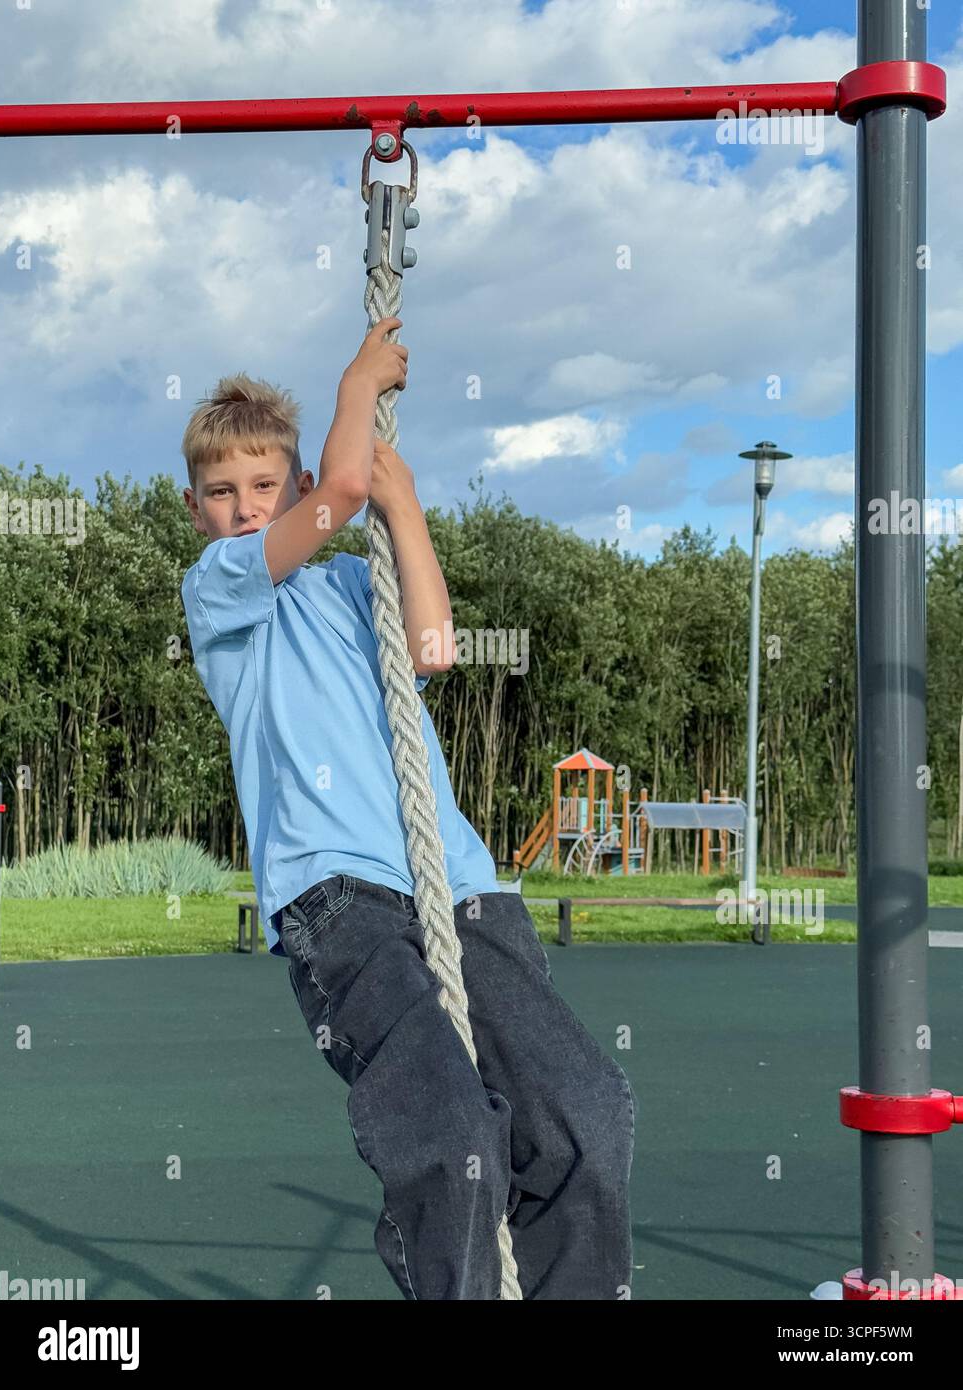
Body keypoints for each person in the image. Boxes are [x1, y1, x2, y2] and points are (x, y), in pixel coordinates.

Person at [179, 317, 634, 1299]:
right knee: (450, 1129)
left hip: (464, 888)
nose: (245, 508)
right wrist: (358, 386)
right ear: (195, 509)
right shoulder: (221, 592)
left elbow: (431, 647)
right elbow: (341, 493)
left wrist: (407, 499)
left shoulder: (353, 587)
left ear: (291, 486)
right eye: (222, 492)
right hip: (338, 901)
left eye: (266, 486)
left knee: (586, 1115)